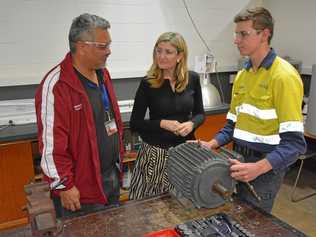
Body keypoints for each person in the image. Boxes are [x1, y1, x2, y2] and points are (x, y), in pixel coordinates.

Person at [195, 7, 306, 213]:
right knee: (233, 217)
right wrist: (211, 144)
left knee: (252, 223)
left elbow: (294, 145)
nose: (236, 40)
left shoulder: (283, 77)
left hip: (265, 169)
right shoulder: (243, 74)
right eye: (236, 34)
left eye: (243, 34)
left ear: (265, 34)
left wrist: (258, 168)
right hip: (238, 160)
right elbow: (232, 126)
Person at [35, 13, 124, 218]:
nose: (109, 51)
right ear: (82, 47)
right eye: (103, 46)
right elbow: (51, 144)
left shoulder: (103, 74)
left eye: (109, 45)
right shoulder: (58, 85)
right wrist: (64, 185)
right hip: (80, 188)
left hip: (110, 176)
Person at [128, 32, 205, 200]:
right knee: (150, 208)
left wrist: (192, 124)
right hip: (155, 155)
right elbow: (135, 123)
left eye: (168, 52)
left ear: (180, 56)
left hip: (184, 154)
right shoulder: (148, 83)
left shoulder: (192, 78)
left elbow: (200, 114)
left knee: (181, 205)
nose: (161, 56)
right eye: (158, 50)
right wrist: (162, 123)